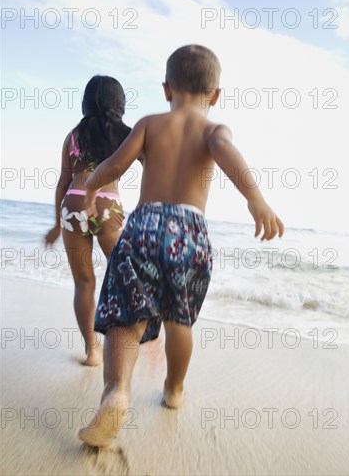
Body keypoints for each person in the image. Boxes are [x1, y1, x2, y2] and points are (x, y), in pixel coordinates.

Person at [78, 45, 284, 446]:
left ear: (166, 89)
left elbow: (115, 166)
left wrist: (89, 189)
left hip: (142, 228)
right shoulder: (214, 130)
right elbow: (226, 153)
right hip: (190, 235)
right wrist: (255, 198)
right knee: (180, 319)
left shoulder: (150, 124)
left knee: (125, 316)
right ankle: (174, 390)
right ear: (216, 95)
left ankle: (117, 391)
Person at [45, 75, 135, 366]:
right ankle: (136, 339)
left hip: (72, 203)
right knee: (125, 277)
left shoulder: (73, 135)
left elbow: (62, 181)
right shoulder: (127, 134)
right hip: (107, 205)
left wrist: (57, 224)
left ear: (85, 102)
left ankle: (93, 351)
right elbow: (153, 164)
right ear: (119, 102)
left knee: (84, 283)